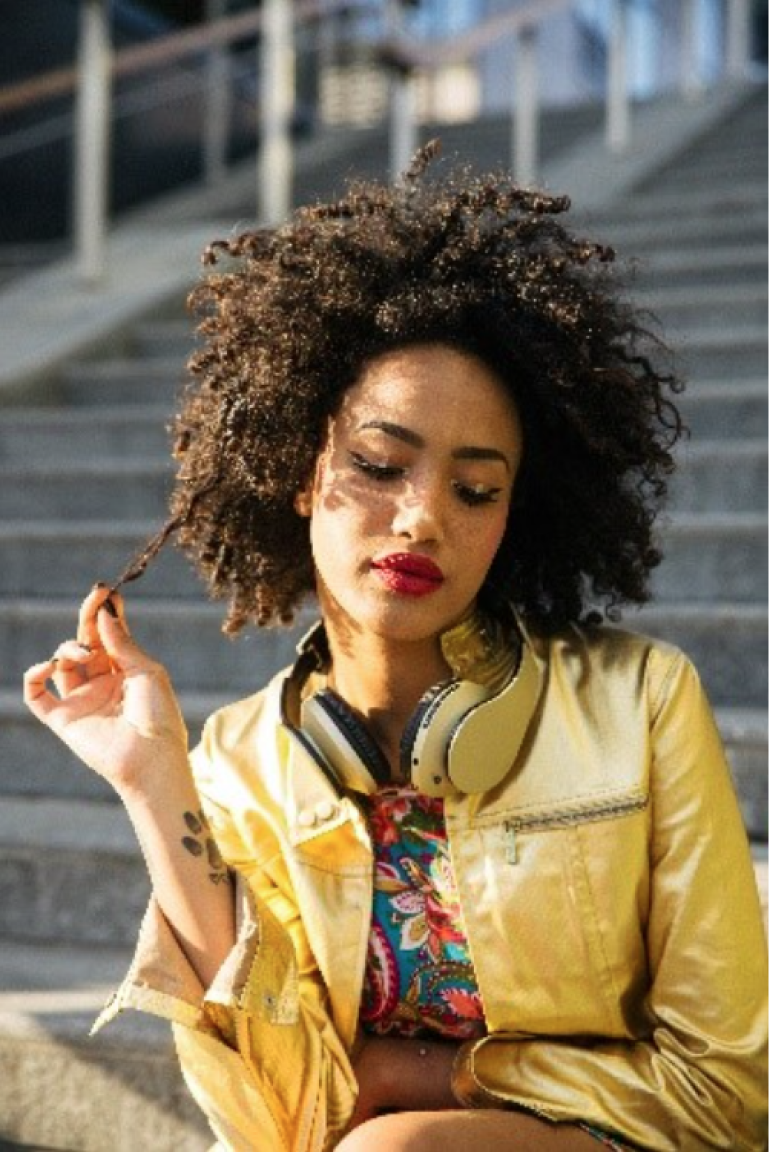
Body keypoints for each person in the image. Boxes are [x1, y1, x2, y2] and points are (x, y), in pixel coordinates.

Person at [23, 143, 769, 1151]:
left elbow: (725, 1090)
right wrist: (156, 786)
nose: (420, 519)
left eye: (474, 489)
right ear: (299, 469)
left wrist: (432, 1077)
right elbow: (272, 1122)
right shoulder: (241, 761)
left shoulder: (639, 703)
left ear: (517, 515)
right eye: (379, 464)